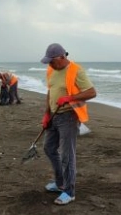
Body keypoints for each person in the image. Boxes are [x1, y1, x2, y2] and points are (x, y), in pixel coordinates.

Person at [40, 43, 96, 205]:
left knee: (67, 155)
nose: (50, 64)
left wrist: (69, 98)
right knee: (49, 148)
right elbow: (50, 91)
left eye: (52, 61)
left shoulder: (76, 70)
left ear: (62, 57)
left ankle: (69, 191)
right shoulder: (51, 70)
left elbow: (92, 92)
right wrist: (46, 114)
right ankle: (60, 183)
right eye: (48, 62)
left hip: (69, 117)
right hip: (54, 115)